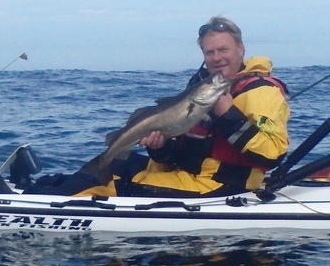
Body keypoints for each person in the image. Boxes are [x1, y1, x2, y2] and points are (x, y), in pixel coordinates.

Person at [30, 16, 290, 197]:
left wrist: (227, 114)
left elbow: (272, 155)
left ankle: (39, 204)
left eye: (223, 50)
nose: (217, 58)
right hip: (185, 174)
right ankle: (36, 189)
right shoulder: (199, 87)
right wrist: (160, 147)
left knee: (117, 182)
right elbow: (177, 155)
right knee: (117, 165)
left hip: (219, 186)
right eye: (209, 53)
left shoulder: (260, 92)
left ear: (240, 48)